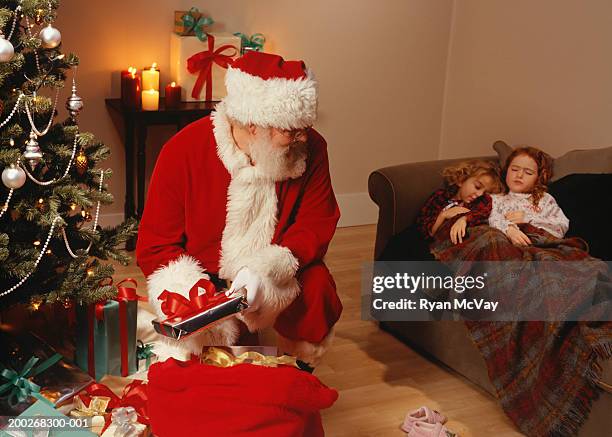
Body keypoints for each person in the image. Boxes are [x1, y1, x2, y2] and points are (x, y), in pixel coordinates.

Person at [136, 51, 342, 367]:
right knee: (211, 368)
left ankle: (296, 369)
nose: (302, 136)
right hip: (206, 279)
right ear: (250, 124)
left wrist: (271, 268)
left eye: (303, 126)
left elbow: (317, 220)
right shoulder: (182, 151)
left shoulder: (311, 148)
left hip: (276, 270)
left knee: (318, 287)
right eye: (289, 129)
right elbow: (156, 245)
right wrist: (196, 297)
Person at [489, 146, 569, 246]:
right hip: (504, 245)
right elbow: (491, 218)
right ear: (506, 171)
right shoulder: (495, 199)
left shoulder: (544, 199)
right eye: (514, 169)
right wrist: (509, 229)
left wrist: (528, 220)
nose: (519, 175)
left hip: (538, 246)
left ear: (539, 178)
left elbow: (560, 226)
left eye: (528, 172)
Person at [416, 159, 503, 244]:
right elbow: (426, 232)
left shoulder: (480, 203)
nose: (480, 194)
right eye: (477, 186)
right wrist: (443, 215)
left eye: (485, 192)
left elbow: (482, 214)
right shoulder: (440, 196)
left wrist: (464, 218)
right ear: (461, 180)